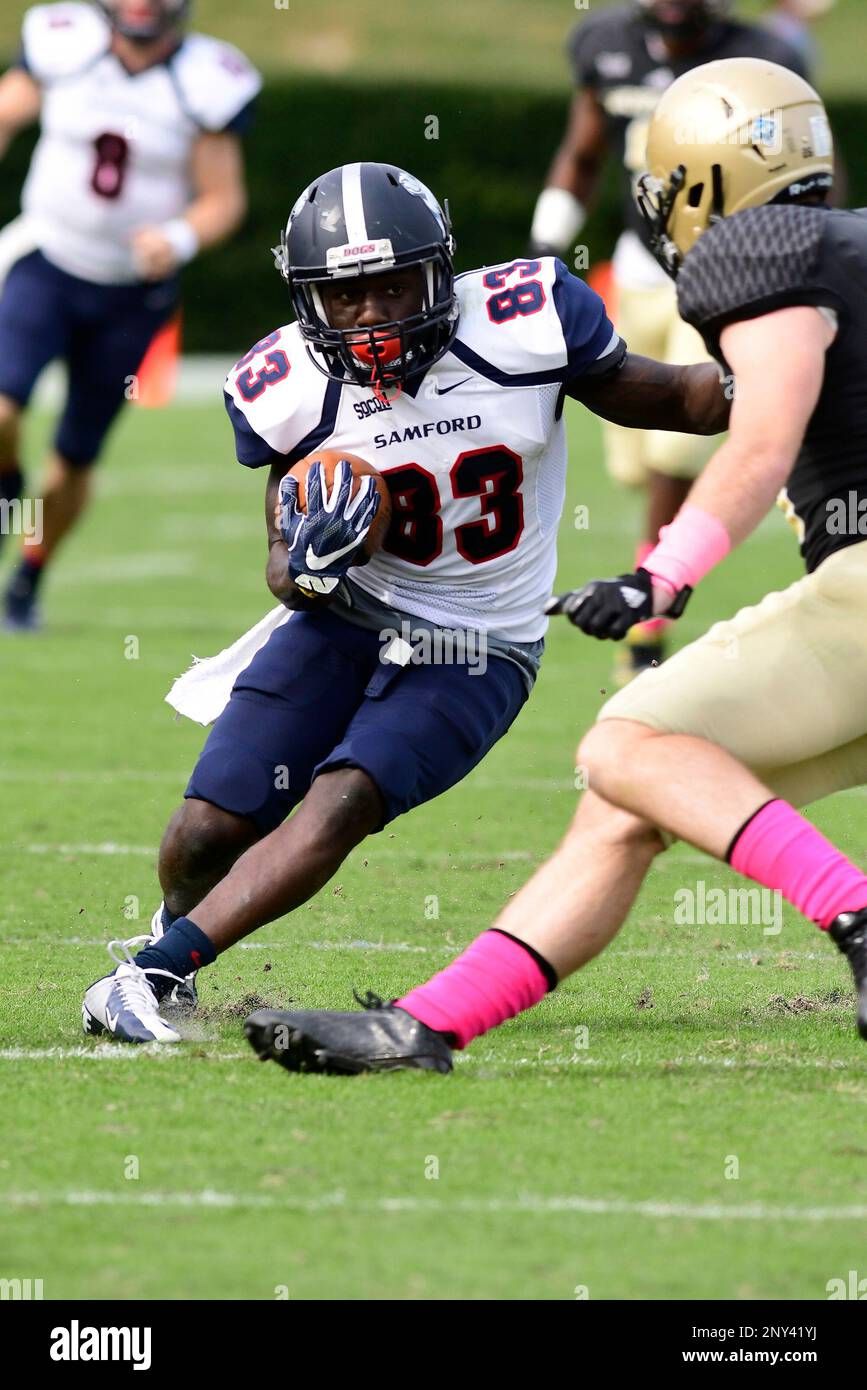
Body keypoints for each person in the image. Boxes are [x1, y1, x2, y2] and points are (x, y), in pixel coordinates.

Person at [249, 60, 867, 1075]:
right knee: (632, 805)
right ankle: (426, 1026)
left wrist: (660, 576)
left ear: (703, 179)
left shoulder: (758, 246)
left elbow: (763, 434)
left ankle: (854, 912)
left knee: (627, 740)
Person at [79, 160, 728, 1044]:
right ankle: (172, 941)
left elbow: (681, 400)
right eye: (345, 297)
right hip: (347, 618)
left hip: (481, 640)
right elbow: (281, 557)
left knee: (341, 800)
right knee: (203, 829)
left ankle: (147, 977)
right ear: (310, 301)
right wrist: (305, 565)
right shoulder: (285, 382)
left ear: (439, 270)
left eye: (392, 286)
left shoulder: (523, 322)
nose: (373, 315)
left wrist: (785, 364)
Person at [529, 0, 807, 683]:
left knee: (672, 460)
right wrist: (541, 253)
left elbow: (804, 171)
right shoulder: (605, 41)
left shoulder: (760, 55)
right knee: (633, 460)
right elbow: (585, 148)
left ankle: (647, 624)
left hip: (715, 277)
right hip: (632, 274)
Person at [0, 0, 260, 629]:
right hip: (45, 258)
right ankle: (9, 487)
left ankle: (28, 581)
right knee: (2, 409)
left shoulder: (208, 77)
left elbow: (223, 199)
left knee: (75, 455)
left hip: (130, 293)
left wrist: (180, 237)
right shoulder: (65, 40)